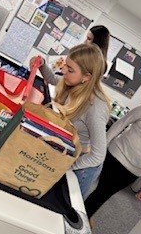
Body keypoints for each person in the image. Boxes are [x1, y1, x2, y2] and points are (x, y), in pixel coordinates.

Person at [30, 44, 110, 200]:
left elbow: (98, 155)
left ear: (87, 77)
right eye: (66, 65)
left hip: (82, 165)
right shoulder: (74, 83)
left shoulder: (95, 107)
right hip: (68, 153)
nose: (64, 71)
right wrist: (42, 65)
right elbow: (53, 79)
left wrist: (66, 165)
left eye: (70, 70)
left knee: (63, 202)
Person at [84, 99, 141, 217]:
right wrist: (101, 147)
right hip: (115, 156)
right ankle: (72, 214)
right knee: (90, 186)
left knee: (102, 196)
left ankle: (79, 220)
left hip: (132, 172)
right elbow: (121, 123)